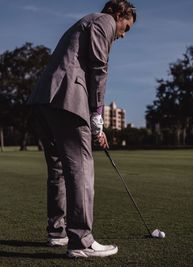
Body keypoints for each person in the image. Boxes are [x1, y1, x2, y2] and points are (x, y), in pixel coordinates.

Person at [28, 0, 136, 258]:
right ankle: (81, 242)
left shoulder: (84, 22)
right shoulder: (104, 21)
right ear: (118, 14)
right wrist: (97, 114)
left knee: (58, 168)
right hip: (67, 98)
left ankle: (57, 232)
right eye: (126, 27)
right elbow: (98, 67)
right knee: (81, 167)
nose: (122, 34)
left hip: (45, 99)